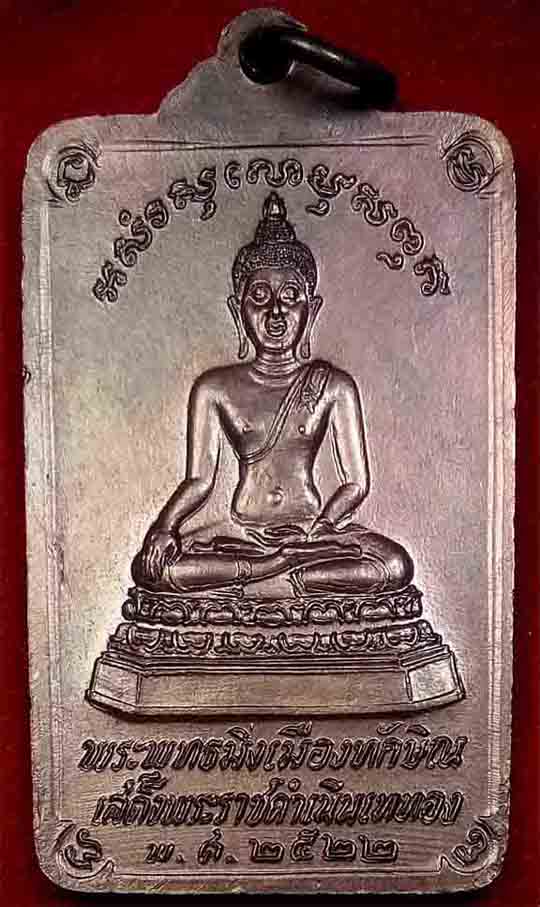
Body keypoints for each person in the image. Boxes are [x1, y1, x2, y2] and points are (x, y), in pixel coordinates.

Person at [132, 192, 413, 597]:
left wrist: (322, 528)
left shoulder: (334, 385)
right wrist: (163, 527)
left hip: (312, 533)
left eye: (291, 297)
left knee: (395, 565)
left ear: (311, 310)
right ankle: (279, 572)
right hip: (240, 533)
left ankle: (267, 576)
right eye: (260, 297)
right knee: (152, 570)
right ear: (239, 310)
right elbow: (198, 479)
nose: (276, 312)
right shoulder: (215, 387)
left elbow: (356, 482)